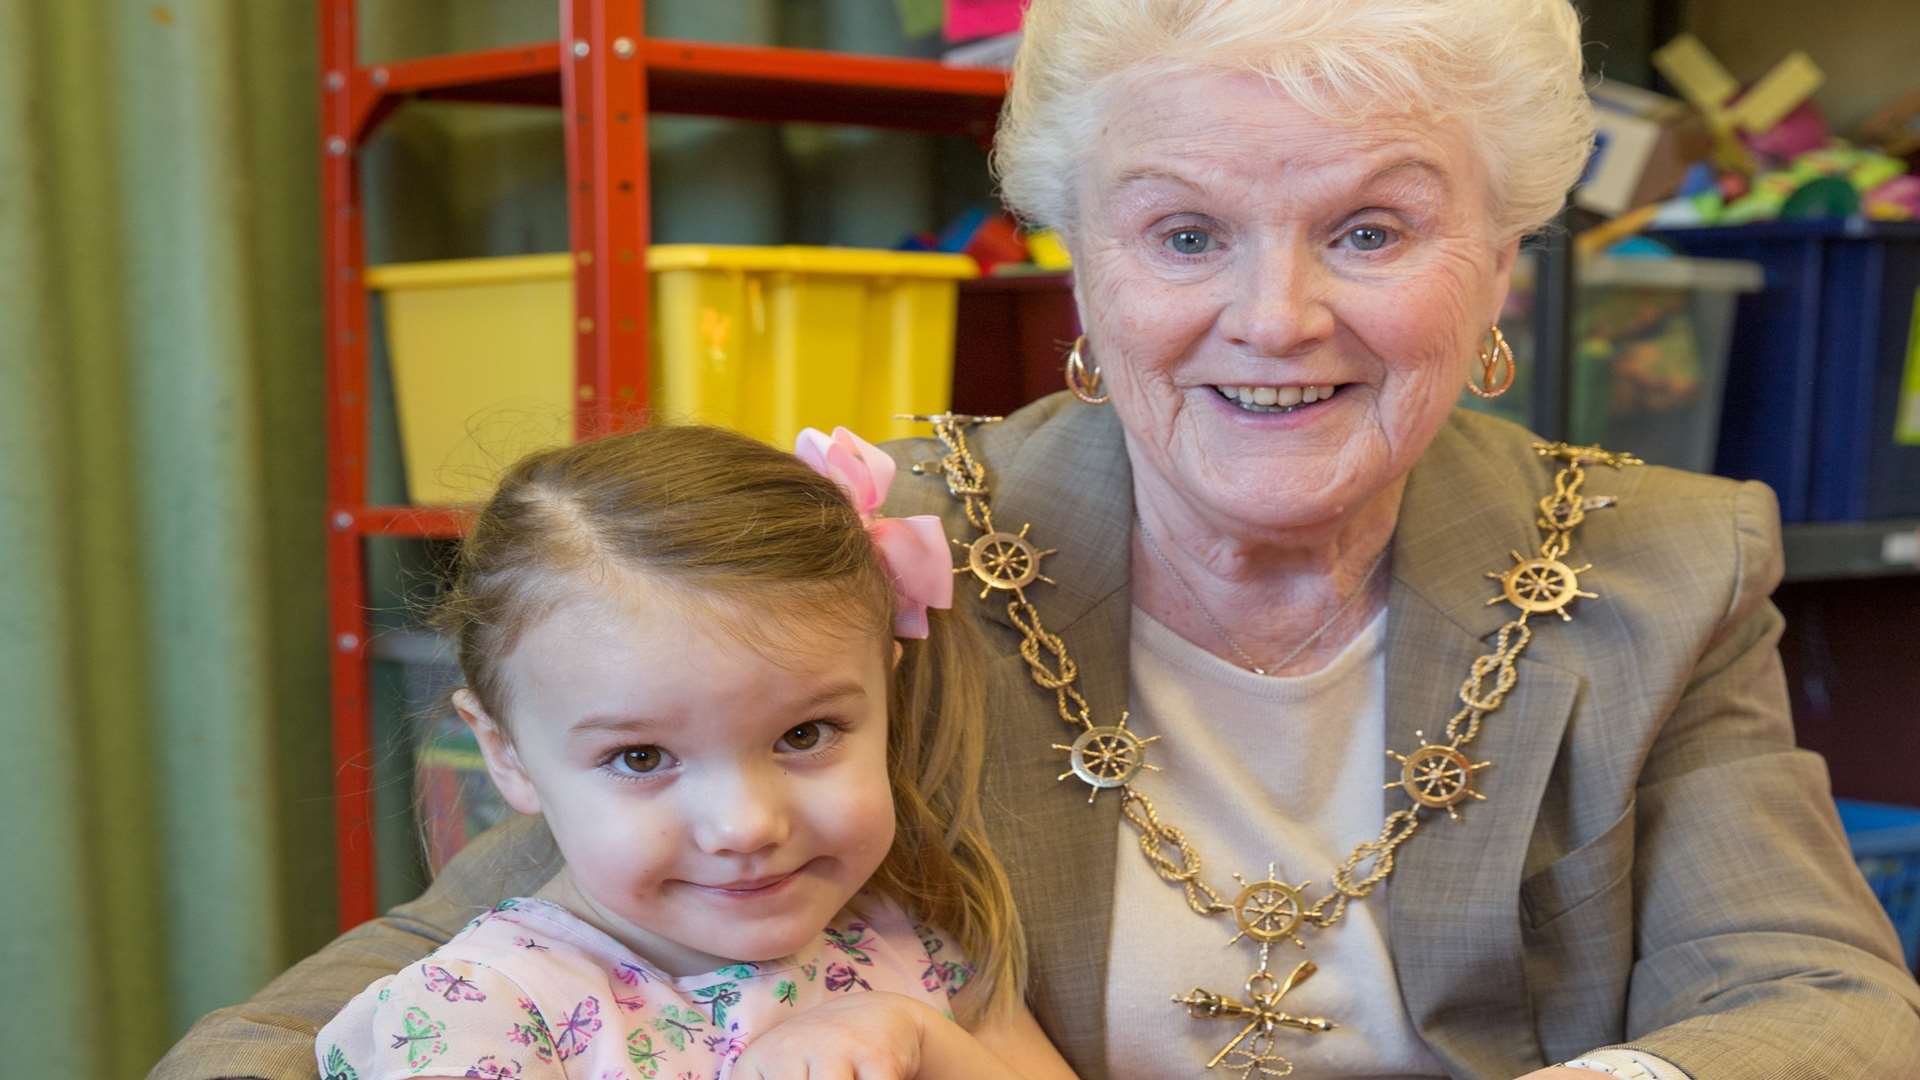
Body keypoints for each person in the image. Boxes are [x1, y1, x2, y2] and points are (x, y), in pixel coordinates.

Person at [156, 1, 1920, 1077]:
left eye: (1371, 230)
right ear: (1077, 264)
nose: (1275, 317)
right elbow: (427, 972)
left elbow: (1823, 1010)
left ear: (1504, 266)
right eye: (1184, 234)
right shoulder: (873, 552)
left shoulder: (1662, 568)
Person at [307, 423, 1077, 1080]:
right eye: (641, 758)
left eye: (804, 735)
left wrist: (922, 1043)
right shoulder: (475, 1018)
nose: (745, 826)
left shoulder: (920, 953)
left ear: (887, 695)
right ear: (505, 755)